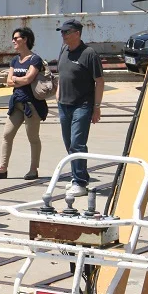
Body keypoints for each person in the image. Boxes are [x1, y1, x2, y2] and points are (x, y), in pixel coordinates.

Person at [0, 27, 49, 181]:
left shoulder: (35, 59)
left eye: (16, 38)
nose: (13, 41)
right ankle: (2, 168)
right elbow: (9, 82)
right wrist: (17, 80)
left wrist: (16, 80)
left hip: (32, 104)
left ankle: (33, 170)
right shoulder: (15, 60)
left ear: (25, 39)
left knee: (32, 137)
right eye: (13, 38)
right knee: (7, 134)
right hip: (16, 103)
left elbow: (29, 79)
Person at [56, 19, 104, 197]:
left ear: (77, 33)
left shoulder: (89, 54)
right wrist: (59, 92)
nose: (63, 35)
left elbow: (99, 81)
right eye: (62, 32)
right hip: (64, 104)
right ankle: (80, 175)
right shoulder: (63, 49)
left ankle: (80, 182)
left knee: (77, 143)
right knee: (69, 144)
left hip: (82, 105)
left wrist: (97, 107)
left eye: (66, 32)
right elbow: (62, 73)